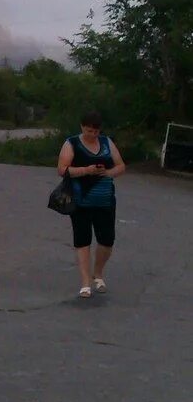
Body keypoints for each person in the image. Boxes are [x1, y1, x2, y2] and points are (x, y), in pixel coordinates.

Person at [56, 111, 126, 298]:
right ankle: (86, 281)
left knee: (107, 241)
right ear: (82, 127)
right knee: (82, 240)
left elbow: (121, 166)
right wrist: (86, 170)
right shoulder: (72, 143)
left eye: (95, 132)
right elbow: (62, 169)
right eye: (89, 131)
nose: (92, 135)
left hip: (105, 200)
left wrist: (109, 173)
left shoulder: (106, 143)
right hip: (80, 200)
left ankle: (98, 272)